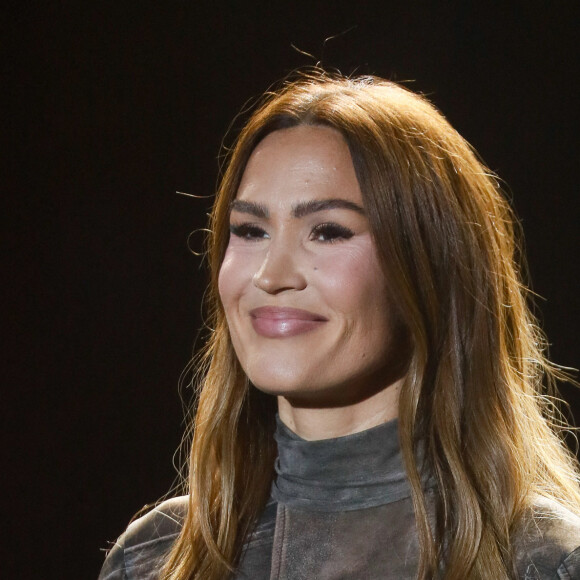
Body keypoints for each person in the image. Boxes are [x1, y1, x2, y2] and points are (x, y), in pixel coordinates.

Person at [98, 71, 580, 580]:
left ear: (429, 266)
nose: (271, 275)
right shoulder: (154, 558)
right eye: (250, 230)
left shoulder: (541, 562)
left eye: (327, 232)